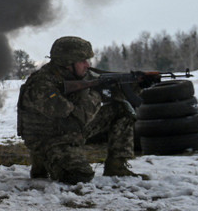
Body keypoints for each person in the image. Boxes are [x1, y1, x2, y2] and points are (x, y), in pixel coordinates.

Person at [16, 36, 140, 183]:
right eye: (82, 61)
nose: (87, 65)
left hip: (68, 132)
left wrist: (132, 86)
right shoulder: (41, 85)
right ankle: (42, 158)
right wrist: (96, 94)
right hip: (48, 139)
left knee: (121, 109)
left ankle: (117, 166)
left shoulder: (79, 75)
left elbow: (108, 86)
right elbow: (76, 120)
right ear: (68, 62)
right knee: (79, 176)